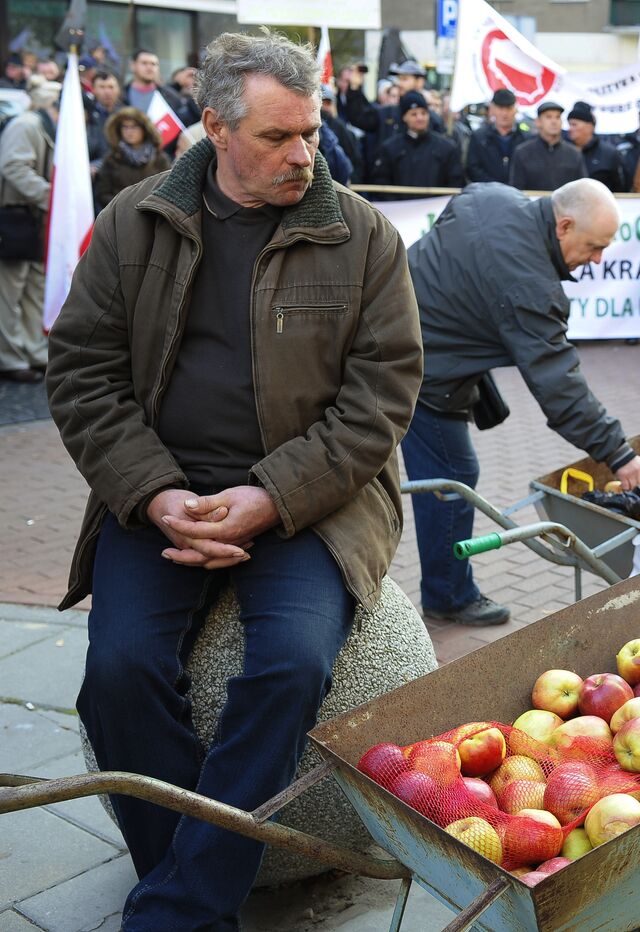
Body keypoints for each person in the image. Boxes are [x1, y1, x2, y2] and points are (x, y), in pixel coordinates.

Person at [44, 32, 422, 927]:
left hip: (309, 509)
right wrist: (156, 493)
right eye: (279, 137)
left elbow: (382, 397)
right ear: (215, 126)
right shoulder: (136, 220)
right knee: (118, 675)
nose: (304, 155)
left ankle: (176, 908)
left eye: (312, 134)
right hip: (159, 502)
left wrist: (271, 497)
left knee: (290, 667)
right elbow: (81, 373)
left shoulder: (361, 234)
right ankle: (195, 889)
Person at [404, 179, 640, 623]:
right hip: (416, 368)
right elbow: (559, 386)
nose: (597, 260)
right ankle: (447, 596)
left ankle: (445, 589)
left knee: (454, 471)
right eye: (595, 247)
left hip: (411, 332)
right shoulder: (530, 287)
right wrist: (619, 454)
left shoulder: (491, 196)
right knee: (452, 475)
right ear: (564, 225)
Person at [0, 78, 58, 383]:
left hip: (31, 216)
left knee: (34, 286)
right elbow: (14, 167)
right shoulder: (26, 125)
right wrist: (52, 197)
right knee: (10, 292)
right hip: (14, 216)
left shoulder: (39, 126)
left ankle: (35, 350)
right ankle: (10, 357)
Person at [368, 91, 465, 197]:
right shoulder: (390, 148)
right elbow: (381, 183)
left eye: (423, 113)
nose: (420, 118)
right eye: (414, 114)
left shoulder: (447, 148)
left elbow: (455, 182)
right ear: (404, 117)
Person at [93, 107, 171, 210]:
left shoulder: (159, 159)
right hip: (121, 215)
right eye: (125, 127)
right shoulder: (112, 159)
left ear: (144, 129)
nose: (129, 131)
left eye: (134, 127)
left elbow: (168, 189)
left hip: (152, 215)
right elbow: (103, 194)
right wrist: (124, 205)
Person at [510, 100, 585, 191]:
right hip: (533, 204)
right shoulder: (523, 152)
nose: (554, 121)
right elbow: (516, 189)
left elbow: (582, 190)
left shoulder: (574, 154)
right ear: (538, 122)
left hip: (566, 204)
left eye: (558, 117)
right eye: (548, 117)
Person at [467, 88, 527, 184]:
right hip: (487, 193)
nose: (504, 113)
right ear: (492, 109)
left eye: (508, 108)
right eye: (500, 108)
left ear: (515, 109)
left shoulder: (526, 138)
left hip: (517, 194)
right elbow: (473, 168)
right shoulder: (478, 137)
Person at [124, 49, 197, 128]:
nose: (149, 67)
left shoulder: (171, 96)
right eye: (144, 63)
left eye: (153, 64)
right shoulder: (121, 95)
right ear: (132, 65)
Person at [567, 101, 625, 192]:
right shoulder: (563, 151)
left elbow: (620, 187)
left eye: (574, 125)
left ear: (589, 127)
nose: (570, 129)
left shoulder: (609, 153)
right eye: (569, 125)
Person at [320, 84, 365, 183]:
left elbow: (354, 158)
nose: (324, 107)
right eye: (322, 102)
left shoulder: (340, 127)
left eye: (328, 103)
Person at [85, 69, 123, 168]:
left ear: (118, 89)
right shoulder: (85, 114)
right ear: (93, 89)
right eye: (102, 87)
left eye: (111, 87)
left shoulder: (126, 116)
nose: (107, 92)